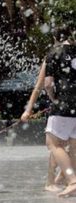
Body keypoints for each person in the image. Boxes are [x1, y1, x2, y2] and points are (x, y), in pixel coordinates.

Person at [21, 60, 65, 192]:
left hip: (68, 108)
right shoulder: (52, 57)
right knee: (58, 146)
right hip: (59, 110)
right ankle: (51, 181)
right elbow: (40, 86)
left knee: (69, 147)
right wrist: (28, 110)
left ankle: (61, 178)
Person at [44, 26, 76, 197]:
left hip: (64, 104)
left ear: (55, 38)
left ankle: (72, 181)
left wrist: (53, 99)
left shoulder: (54, 53)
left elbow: (48, 84)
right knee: (74, 147)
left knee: (53, 143)